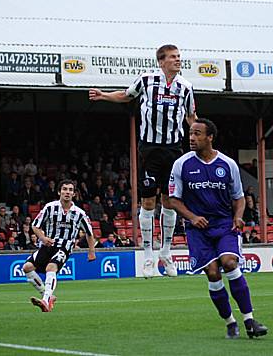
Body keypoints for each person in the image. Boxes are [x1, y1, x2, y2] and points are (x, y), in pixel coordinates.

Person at [90, 44, 197, 278]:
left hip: (174, 149)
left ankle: (166, 253)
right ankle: (148, 255)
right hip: (149, 149)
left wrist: (200, 136)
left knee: (170, 201)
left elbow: (191, 116)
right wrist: (104, 96)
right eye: (173, 57)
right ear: (161, 61)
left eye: (179, 57)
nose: (178, 60)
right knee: (148, 202)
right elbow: (126, 96)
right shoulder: (147, 80)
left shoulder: (186, 87)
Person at [168, 119, 268, 339]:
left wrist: (239, 217)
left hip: (224, 224)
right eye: (190, 133)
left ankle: (250, 320)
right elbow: (173, 200)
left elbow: (239, 198)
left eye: (197, 134)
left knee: (230, 263)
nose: (192, 138)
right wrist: (193, 218)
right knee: (213, 273)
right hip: (197, 230)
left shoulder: (227, 164)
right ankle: (230, 322)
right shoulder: (181, 164)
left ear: (210, 137)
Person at [22, 180, 97, 312]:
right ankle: (48, 296)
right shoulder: (50, 207)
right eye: (64, 189)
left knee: (51, 268)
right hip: (48, 245)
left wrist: (91, 251)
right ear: (59, 192)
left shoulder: (79, 213)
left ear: (74, 194)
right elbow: (35, 225)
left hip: (65, 247)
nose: (67, 192)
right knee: (27, 267)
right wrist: (43, 238)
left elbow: (89, 233)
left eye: (70, 190)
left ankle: (45, 301)